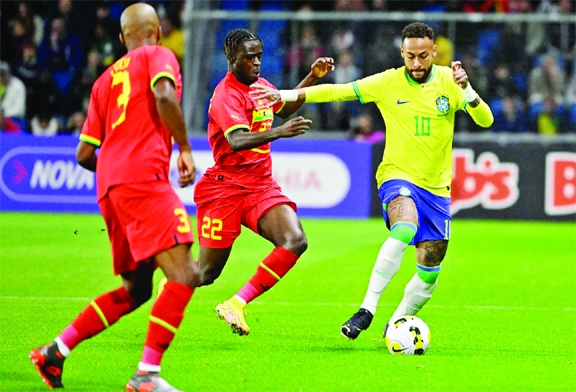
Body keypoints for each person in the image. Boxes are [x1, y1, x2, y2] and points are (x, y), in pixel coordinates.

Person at [251, 22, 494, 340]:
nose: (417, 64)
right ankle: (366, 309)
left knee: (430, 268)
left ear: (434, 52)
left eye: (423, 56)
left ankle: (397, 324)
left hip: (437, 189)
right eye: (411, 56)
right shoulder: (387, 82)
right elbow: (339, 91)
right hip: (397, 176)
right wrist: (285, 93)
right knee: (404, 228)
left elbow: (485, 120)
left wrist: (468, 90)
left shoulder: (451, 81)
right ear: (402, 53)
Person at [29, 3, 199, 392]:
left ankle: (54, 351)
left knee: (136, 290)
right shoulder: (160, 55)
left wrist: (117, 173)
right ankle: (147, 375)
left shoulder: (103, 80)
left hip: (109, 188)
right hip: (144, 180)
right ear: (157, 31)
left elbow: (85, 154)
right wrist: (185, 148)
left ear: (121, 38)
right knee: (185, 273)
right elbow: (164, 97)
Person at [193, 28, 333, 336]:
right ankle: (167, 284)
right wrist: (279, 133)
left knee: (295, 241)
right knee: (205, 274)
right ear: (231, 58)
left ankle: (237, 303)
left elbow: (284, 107)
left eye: (259, 56)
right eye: (249, 57)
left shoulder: (262, 85)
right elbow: (236, 140)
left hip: (260, 186)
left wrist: (311, 78)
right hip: (224, 189)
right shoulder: (226, 96)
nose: (256, 62)